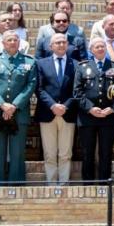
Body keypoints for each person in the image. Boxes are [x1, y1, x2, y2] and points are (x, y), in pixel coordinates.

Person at [0, 31, 37, 183]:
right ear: (3, 43)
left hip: (19, 113)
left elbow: (31, 85)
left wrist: (14, 106)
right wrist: (2, 105)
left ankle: (16, 184)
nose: (13, 42)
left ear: (19, 42)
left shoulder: (29, 62)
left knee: (17, 152)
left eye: (15, 39)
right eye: (9, 40)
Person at [74, 37, 114, 183]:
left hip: (108, 117)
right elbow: (77, 92)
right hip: (88, 117)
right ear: (91, 50)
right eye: (97, 47)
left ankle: (105, 184)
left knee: (106, 153)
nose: (100, 49)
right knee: (87, 153)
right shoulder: (82, 67)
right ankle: (88, 185)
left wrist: (112, 108)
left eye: (102, 46)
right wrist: (90, 108)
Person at [34, 33, 78, 185]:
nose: (61, 45)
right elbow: (38, 89)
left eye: (64, 42)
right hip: (48, 113)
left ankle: (64, 184)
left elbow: (77, 91)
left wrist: (65, 106)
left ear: (68, 45)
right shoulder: (41, 64)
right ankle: (52, 185)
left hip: (68, 113)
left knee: (65, 153)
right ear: (50, 46)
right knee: (49, 153)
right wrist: (53, 105)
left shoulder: (76, 64)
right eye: (57, 42)